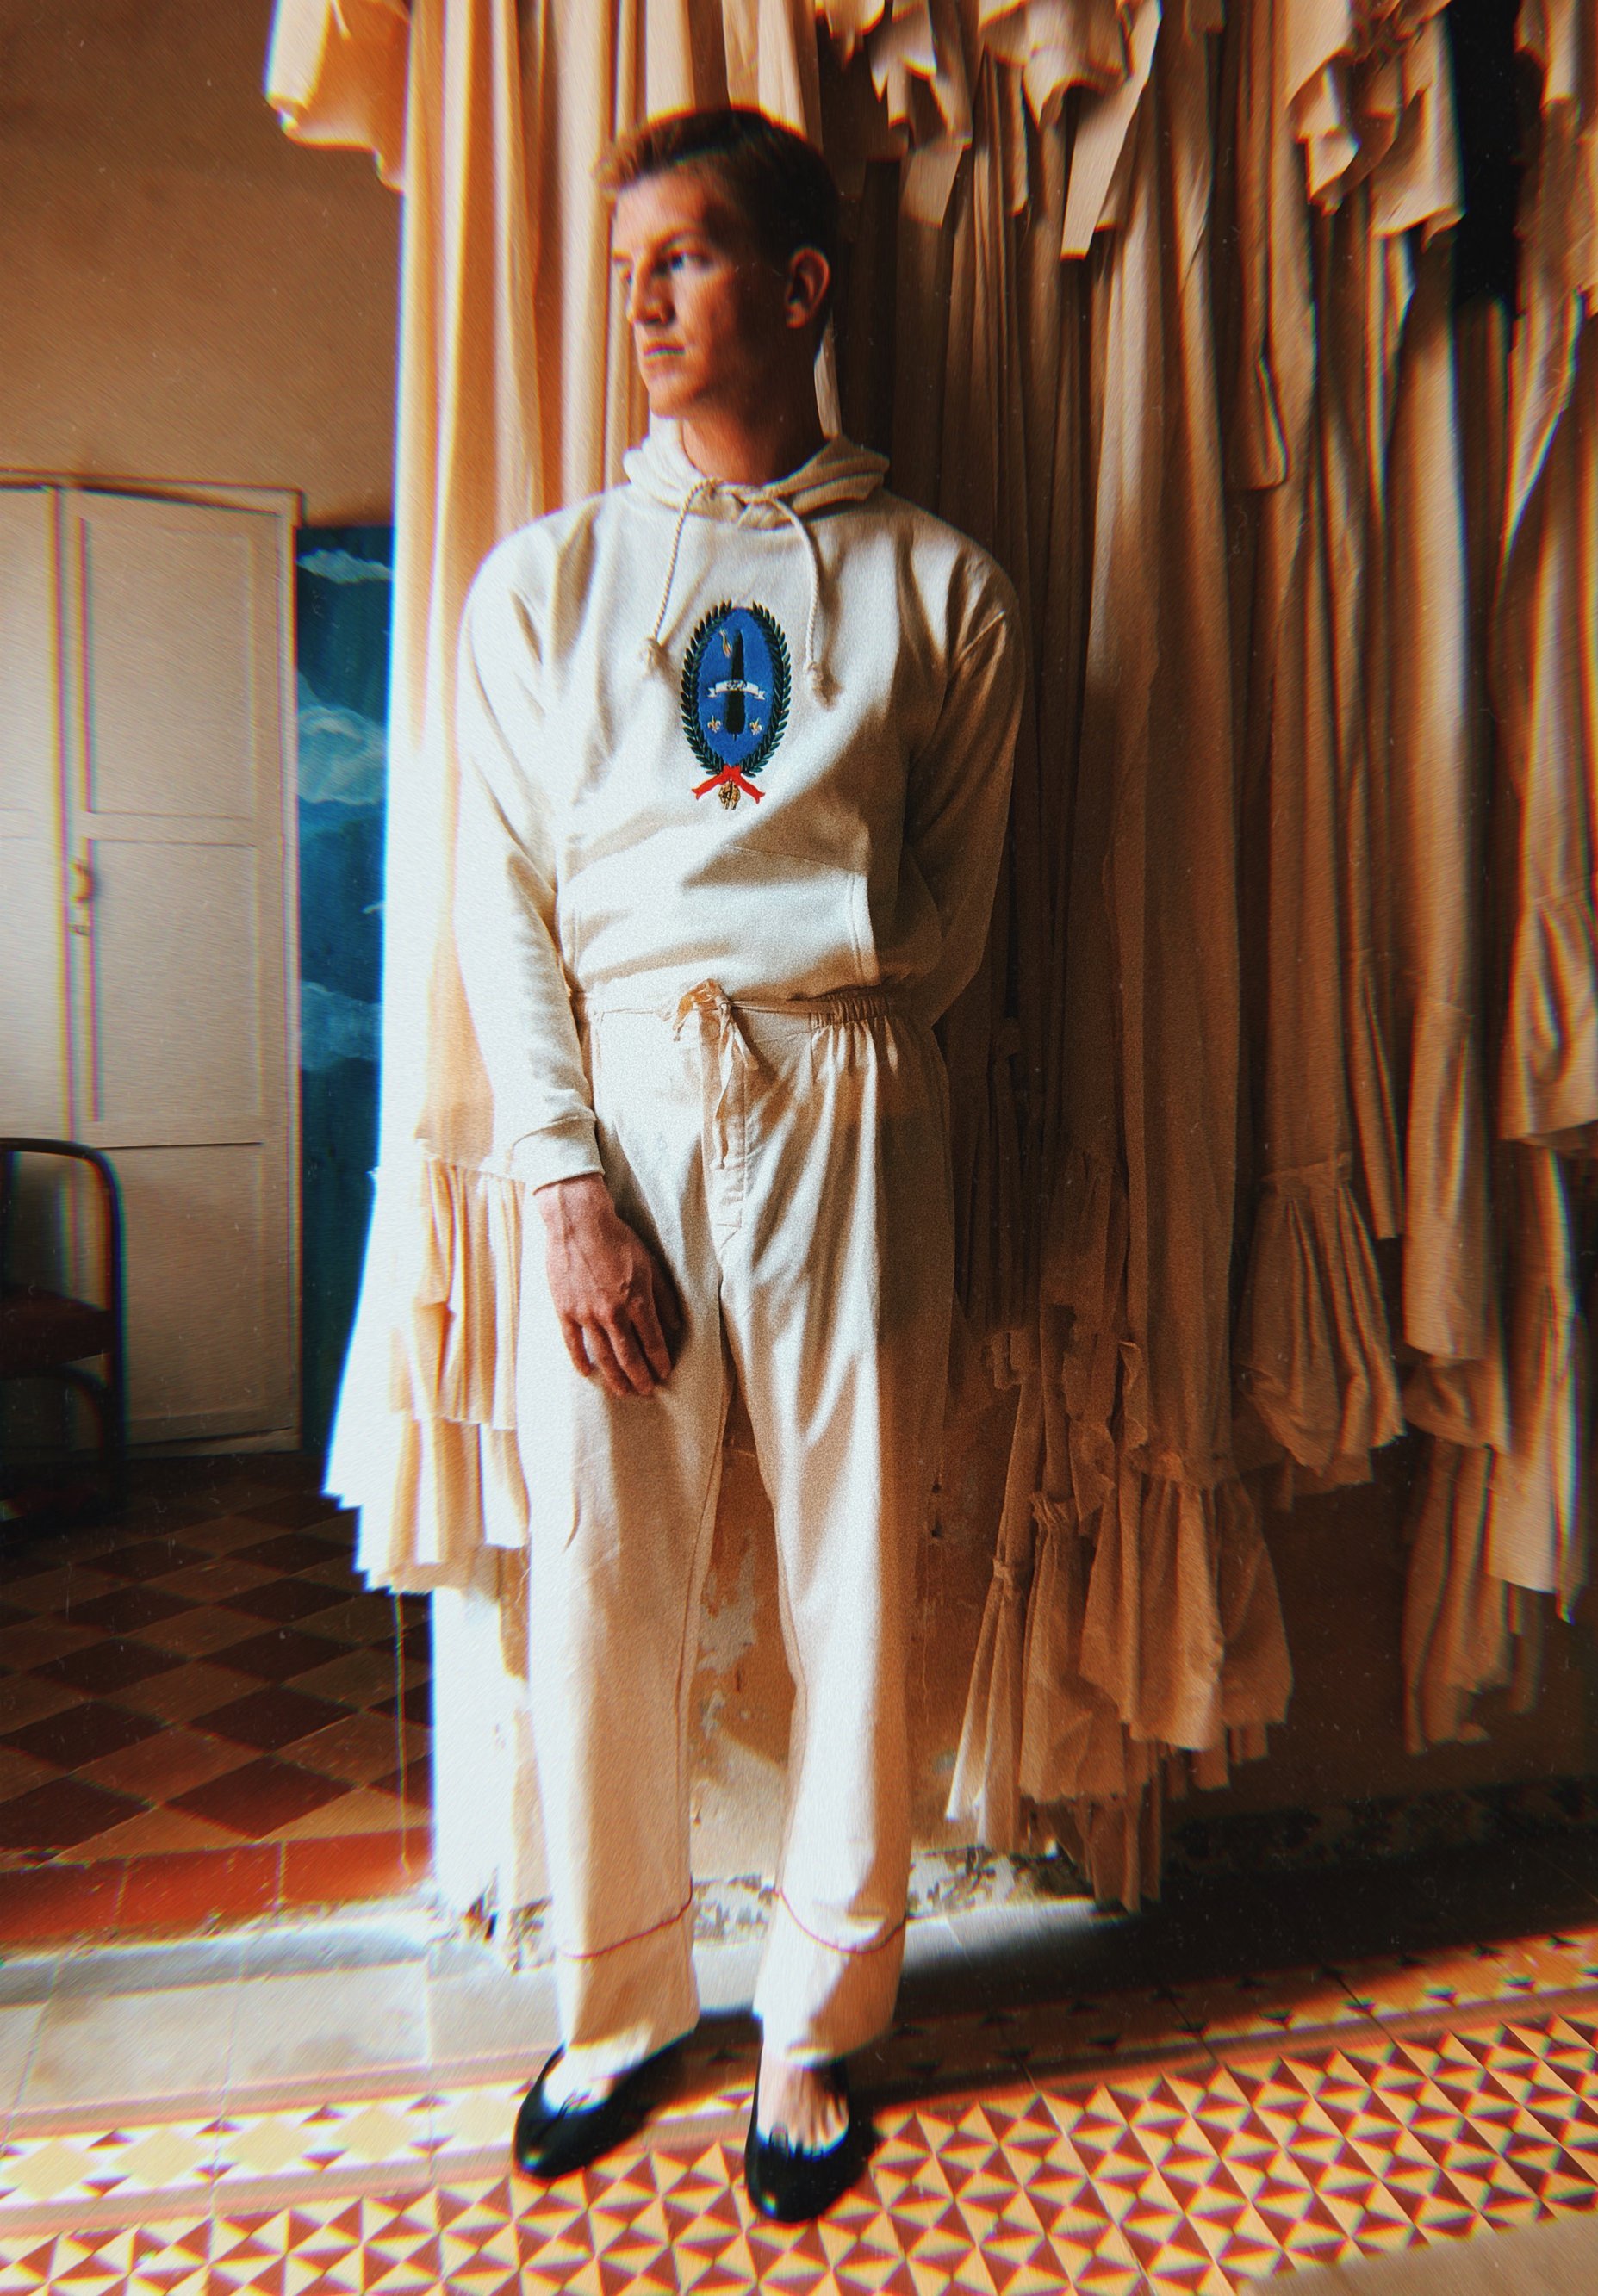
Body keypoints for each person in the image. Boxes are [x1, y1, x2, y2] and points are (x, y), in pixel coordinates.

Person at [451, 106, 1023, 2223]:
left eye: (683, 258)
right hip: (627, 1101)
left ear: (798, 287)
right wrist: (566, 1178)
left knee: (855, 1563)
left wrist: (831, 1037)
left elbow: (952, 905)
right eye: (626, 268)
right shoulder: (546, 584)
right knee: (603, 1556)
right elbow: (502, 907)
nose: (642, 302)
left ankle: (817, 2019)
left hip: (851, 1083)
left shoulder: (942, 586)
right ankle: (618, 1996)